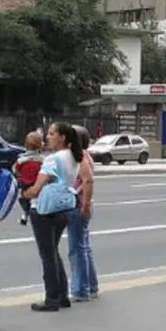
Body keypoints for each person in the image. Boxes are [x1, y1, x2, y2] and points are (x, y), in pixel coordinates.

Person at [22, 121, 82, 312]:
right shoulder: (73, 157)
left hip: (44, 210)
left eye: (51, 133)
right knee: (54, 252)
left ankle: (52, 298)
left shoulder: (52, 159)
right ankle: (62, 295)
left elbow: (36, 189)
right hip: (63, 209)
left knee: (47, 255)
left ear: (62, 137)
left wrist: (24, 193)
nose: (47, 137)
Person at [69, 125, 97, 301]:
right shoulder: (84, 156)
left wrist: (85, 204)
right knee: (83, 247)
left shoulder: (81, 158)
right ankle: (91, 285)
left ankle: (80, 289)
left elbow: (88, 181)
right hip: (82, 205)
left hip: (78, 205)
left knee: (77, 249)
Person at [13, 131, 45, 226]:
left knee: (22, 198)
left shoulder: (21, 159)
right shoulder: (42, 159)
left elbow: (15, 170)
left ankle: (25, 215)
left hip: (23, 183)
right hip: (36, 182)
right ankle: (32, 214)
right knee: (35, 200)